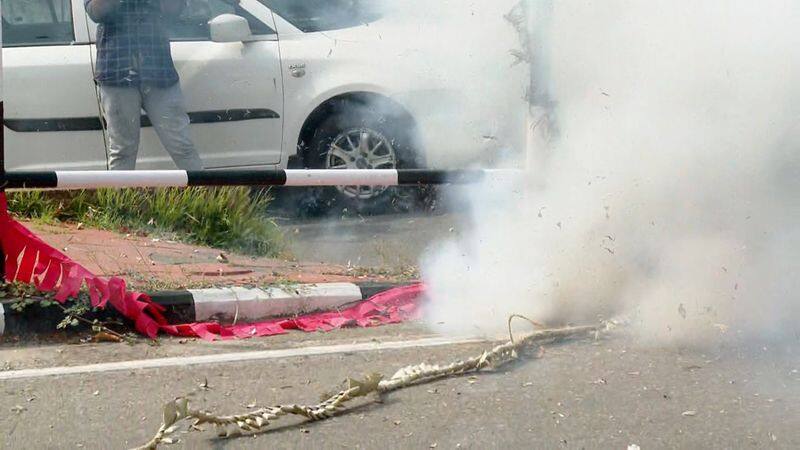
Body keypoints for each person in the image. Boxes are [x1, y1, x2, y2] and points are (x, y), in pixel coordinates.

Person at [84, 0, 204, 170]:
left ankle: (202, 195)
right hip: (117, 72)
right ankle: (120, 196)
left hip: (159, 72)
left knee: (182, 146)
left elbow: (174, 10)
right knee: (122, 151)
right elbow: (96, 12)